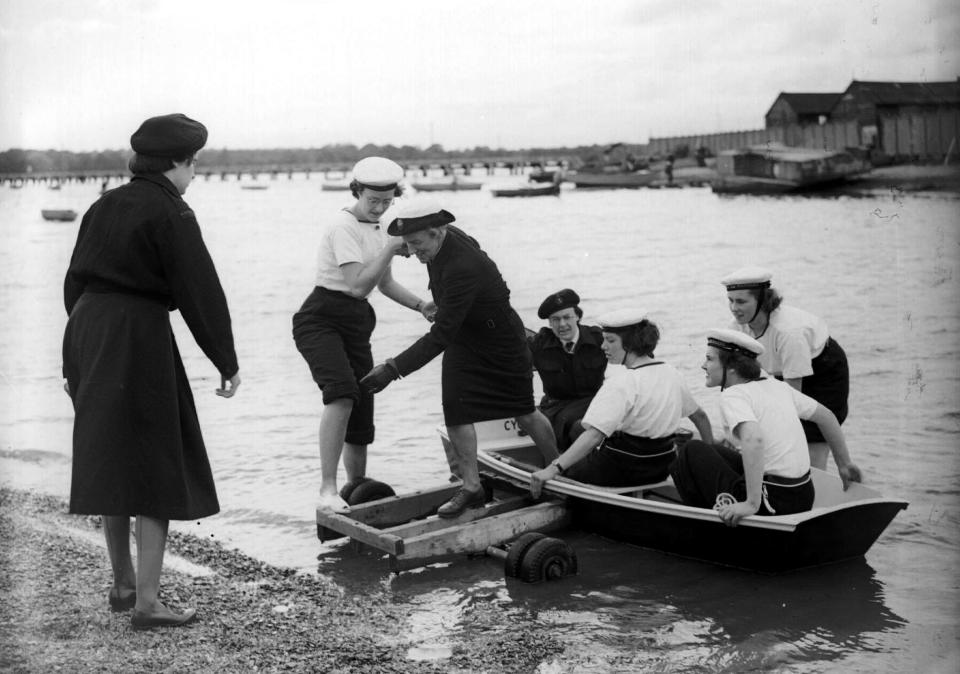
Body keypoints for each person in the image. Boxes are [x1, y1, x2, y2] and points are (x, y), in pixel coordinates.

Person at [62, 113, 240, 629]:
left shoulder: (103, 206)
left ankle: (121, 584)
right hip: (137, 333)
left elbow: (74, 283)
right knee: (158, 458)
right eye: (194, 164)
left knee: (111, 456)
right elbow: (198, 290)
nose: (195, 175)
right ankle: (148, 602)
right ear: (178, 163)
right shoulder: (171, 211)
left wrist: (74, 354)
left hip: (87, 328)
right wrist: (224, 358)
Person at [360, 198, 560, 518]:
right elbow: (449, 311)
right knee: (455, 409)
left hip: (502, 342)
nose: (411, 253)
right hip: (466, 338)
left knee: (523, 411)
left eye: (416, 245)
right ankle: (471, 487)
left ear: (438, 232)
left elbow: (441, 336)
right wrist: (455, 305)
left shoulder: (463, 266)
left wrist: (392, 368)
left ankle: (558, 469)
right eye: (408, 245)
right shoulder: (441, 240)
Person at [292, 157, 433, 512]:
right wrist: (389, 248)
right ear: (357, 191)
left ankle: (357, 487)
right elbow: (356, 285)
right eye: (373, 200)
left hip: (357, 320)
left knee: (363, 395)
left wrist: (421, 306)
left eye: (387, 202)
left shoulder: (383, 227)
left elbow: (383, 283)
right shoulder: (343, 226)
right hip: (320, 316)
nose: (380, 208)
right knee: (340, 394)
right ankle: (328, 489)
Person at [670, 329, 862, 527]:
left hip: (772, 503)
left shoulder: (733, 395)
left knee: (689, 452)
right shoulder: (777, 386)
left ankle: (708, 527)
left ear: (732, 368)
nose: (704, 365)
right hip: (803, 497)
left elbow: (754, 438)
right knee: (711, 450)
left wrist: (751, 504)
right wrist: (844, 465)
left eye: (709, 359)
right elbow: (827, 417)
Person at [529, 310, 713, 499]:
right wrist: (710, 455)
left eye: (610, 340)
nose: (602, 346)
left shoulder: (621, 383)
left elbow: (593, 436)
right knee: (581, 432)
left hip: (624, 469)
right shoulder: (672, 372)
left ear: (630, 343)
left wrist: (553, 469)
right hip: (662, 465)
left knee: (567, 470)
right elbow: (700, 416)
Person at [721, 266, 850, 470]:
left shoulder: (790, 333)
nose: (734, 307)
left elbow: (791, 400)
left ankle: (835, 472)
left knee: (810, 439)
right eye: (731, 300)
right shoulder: (736, 328)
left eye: (741, 301)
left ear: (763, 301)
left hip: (823, 371)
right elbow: (736, 382)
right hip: (780, 370)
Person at [527, 289, 606, 451]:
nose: (562, 324)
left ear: (577, 316)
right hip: (556, 409)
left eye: (567, 317)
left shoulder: (598, 339)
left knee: (583, 427)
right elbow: (508, 360)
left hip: (592, 404)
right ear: (549, 323)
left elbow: (632, 352)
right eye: (555, 319)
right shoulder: (539, 344)